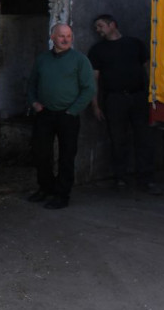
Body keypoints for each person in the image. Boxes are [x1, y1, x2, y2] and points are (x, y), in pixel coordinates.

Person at [88, 14, 162, 195]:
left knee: (144, 139)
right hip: (115, 100)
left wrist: (154, 98)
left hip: (139, 98)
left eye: (100, 26)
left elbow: (149, 70)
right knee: (117, 139)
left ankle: (146, 179)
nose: (98, 31)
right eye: (96, 28)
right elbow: (93, 79)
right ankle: (120, 178)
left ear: (112, 25)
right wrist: (95, 105)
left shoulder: (135, 44)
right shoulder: (98, 50)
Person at [26, 23, 95, 209]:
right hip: (44, 114)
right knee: (41, 154)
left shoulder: (79, 60)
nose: (66, 40)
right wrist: (34, 103)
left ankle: (62, 194)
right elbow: (32, 84)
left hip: (67, 116)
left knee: (66, 156)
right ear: (52, 37)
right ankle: (46, 188)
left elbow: (89, 88)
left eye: (69, 36)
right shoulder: (43, 59)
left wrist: (73, 110)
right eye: (61, 36)